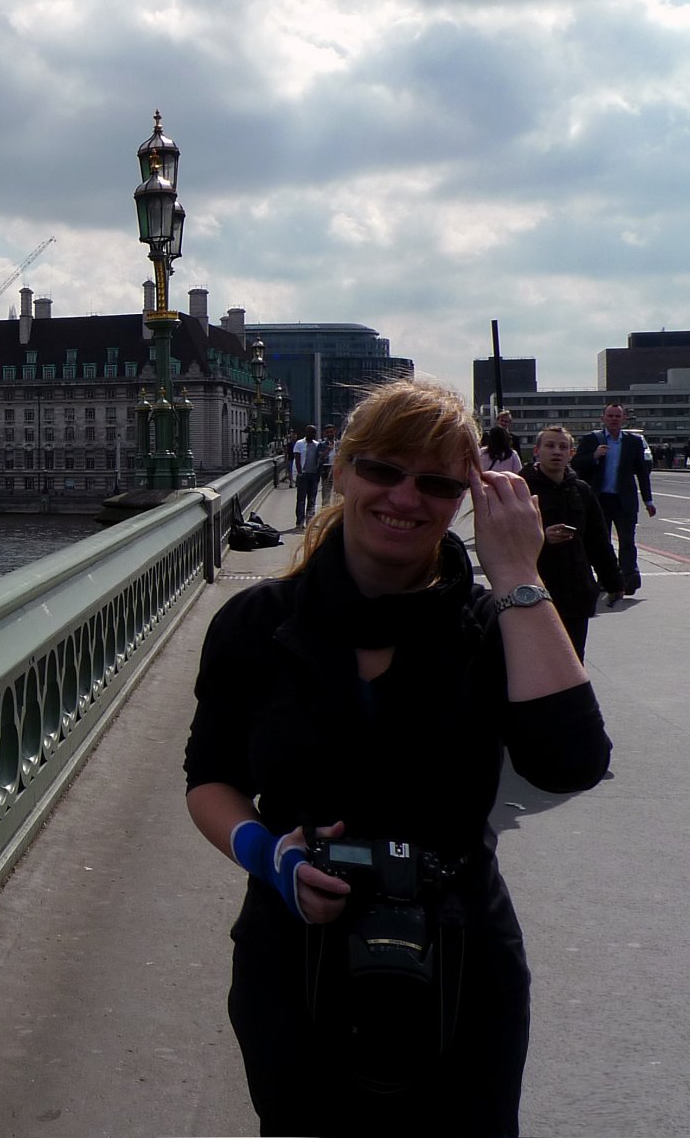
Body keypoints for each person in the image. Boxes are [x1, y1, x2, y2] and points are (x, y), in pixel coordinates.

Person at [184, 377, 611, 1135]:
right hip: (297, 953)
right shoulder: (258, 623)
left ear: (465, 499)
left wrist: (517, 577)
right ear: (341, 470)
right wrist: (268, 857)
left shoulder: (489, 624)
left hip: (460, 952)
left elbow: (569, 761)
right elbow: (211, 776)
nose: (406, 497)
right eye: (384, 469)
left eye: (438, 483)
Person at [525, 425, 623, 655]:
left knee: (572, 658)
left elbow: (598, 541)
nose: (556, 451)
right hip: (536, 590)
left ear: (571, 454)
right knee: (537, 660)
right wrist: (542, 537)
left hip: (575, 591)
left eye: (563, 447)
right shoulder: (521, 488)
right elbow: (504, 538)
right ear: (537, 451)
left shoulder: (581, 490)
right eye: (550, 446)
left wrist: (614, 582)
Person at [573, 405, 656, 596]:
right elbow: (576, 464)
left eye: (617, 416)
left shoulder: (634, 442)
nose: (614, 419)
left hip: (624, 500)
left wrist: (648, 500)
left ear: (624, 419)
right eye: (610, 416)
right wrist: (594, 456)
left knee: (627, 541)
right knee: (602, 542)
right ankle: (606, 579)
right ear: (603, 418)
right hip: (599, 500)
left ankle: (628, 579)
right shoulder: (592, 440)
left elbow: (642, 473)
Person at [289, 425, 323, 528]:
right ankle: (299, 522)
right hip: (303, 474)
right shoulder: (299, 444)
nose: (312, 435)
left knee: (312, 499)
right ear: (306, 432)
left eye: (314, 433)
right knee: (301, 499)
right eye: (311, 432)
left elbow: (319, 459)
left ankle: (310, 522)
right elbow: (297, 459)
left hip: (314, 475)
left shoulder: (317, 445)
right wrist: (299, 473)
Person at [319, 422, 340, 509]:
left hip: (337, 468)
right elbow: (320, 457)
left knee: (338, 491)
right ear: (325, 433)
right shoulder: (322, 444)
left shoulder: (339, 443)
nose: (329, 434)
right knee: (326, 491)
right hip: (326, 468)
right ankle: (325, 511)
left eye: (331, 432)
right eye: (327, 432)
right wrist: (327, 450)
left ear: (335, 431)